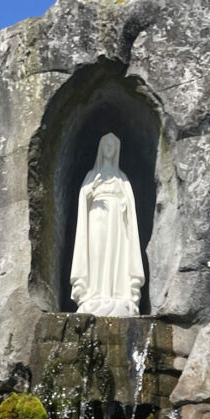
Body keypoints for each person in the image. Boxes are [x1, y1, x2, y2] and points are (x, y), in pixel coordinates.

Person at [70, 133, 145, 317]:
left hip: (117, 222)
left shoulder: (122, 178)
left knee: (116, 255)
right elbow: (83, 198)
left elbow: (130, 203)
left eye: (113, 145)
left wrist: (125, 204)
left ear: (117, 149)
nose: (109, 148)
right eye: (106, 144)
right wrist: (89, 191)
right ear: (101, 149)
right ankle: (94, 293)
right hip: (96, 217)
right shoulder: (91, 175)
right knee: (97, 254)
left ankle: (117, 293)